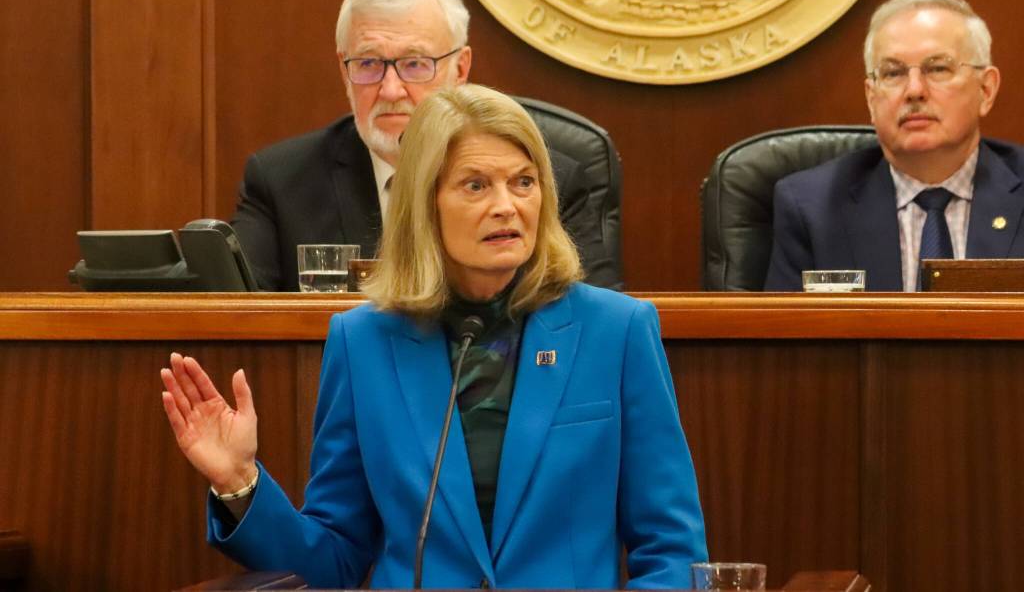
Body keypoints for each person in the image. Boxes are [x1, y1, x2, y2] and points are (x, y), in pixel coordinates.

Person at [161, 84, 706, 588]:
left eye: (524, 181)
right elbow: (336, 559)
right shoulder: (364, 342)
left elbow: (672, 549)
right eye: (476, 185)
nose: (507, 205)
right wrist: (239, 483)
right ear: (425, 204)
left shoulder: (616, 330)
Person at [231, 0, 622, 292]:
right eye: (368, 64)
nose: (390, 89)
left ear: (461, 69)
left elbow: (591, 324)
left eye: (415, 64)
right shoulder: (282, 181)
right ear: (343, 70)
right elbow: (246, 326)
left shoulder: (550, 178)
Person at [765, 0, 1024, 291]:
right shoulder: (812, 208)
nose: (914, 90)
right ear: (871, 99)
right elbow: (789, 335)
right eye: (893, 73)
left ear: (986, 90)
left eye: (937, 68)